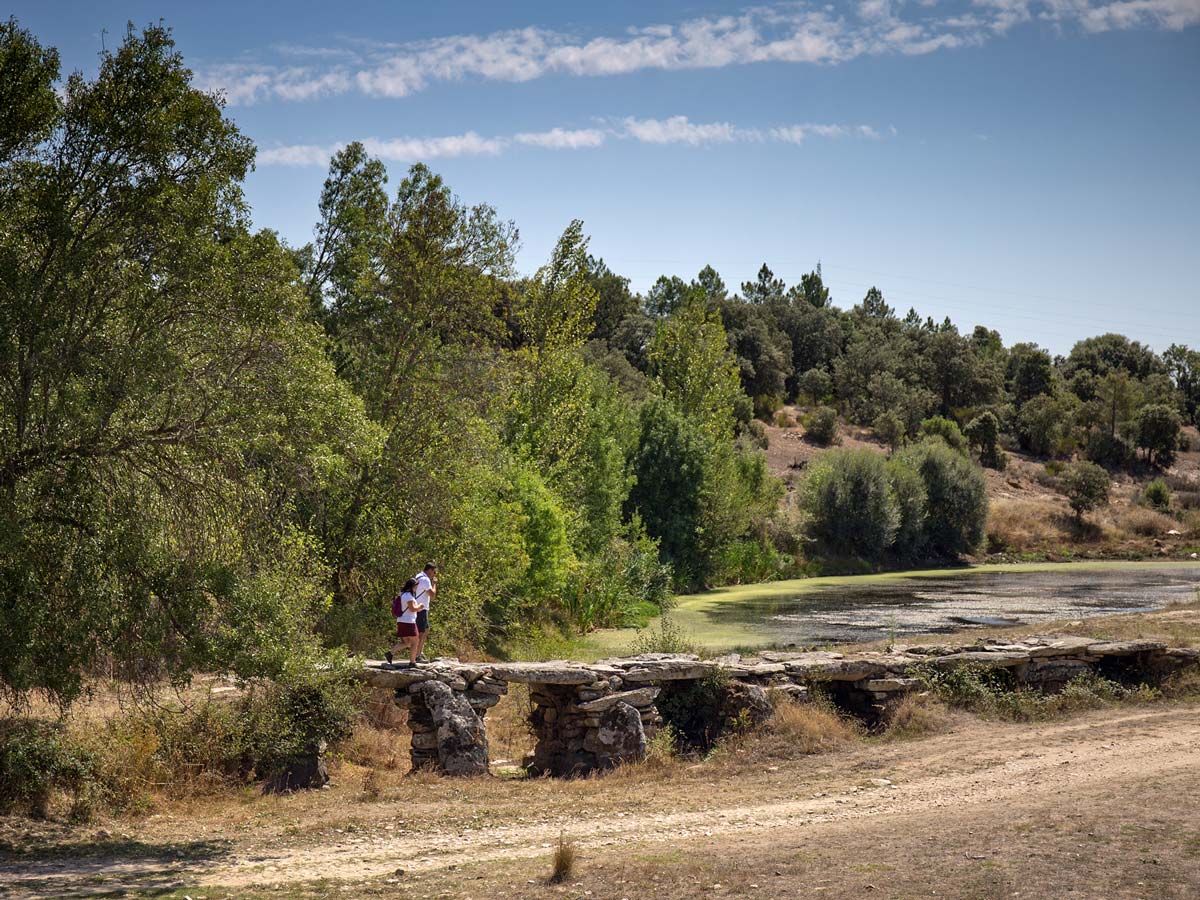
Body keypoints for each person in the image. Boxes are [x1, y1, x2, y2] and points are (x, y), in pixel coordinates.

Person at [385, 578, 422, 667]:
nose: (416, 588)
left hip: (401, 621)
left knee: (406, 642)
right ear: (412, 586)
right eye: (416, 586)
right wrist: (420, 606)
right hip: (409, 622)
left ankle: (390, 652)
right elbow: (412, 608)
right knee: (415, 642)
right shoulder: (409, 596)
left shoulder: (401, 594)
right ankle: (412, 662)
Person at [412, 563, 437, 662]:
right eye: (434, 572)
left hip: (417, 607)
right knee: (421, 633)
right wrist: (434, 583)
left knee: (426, 630)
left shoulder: (418, 576)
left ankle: (419, 653)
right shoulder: (425, 579)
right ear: (430, 570)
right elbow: (432, 595)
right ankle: (417, 656)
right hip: (421, 609)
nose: (434, 574)